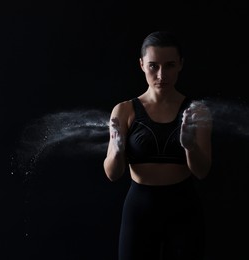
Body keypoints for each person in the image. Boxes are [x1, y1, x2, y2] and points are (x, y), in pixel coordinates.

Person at [103, 30, 213, 260]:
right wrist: (117, 147)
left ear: (181, 64)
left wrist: (190, 146)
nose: (162, 74)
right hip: (139, 211)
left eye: (170, 65)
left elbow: (202, 172)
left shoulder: (196, 111)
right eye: (154, 66)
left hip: (184, 210)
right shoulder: (124, 111)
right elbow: (113, 174)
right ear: (142, 64)